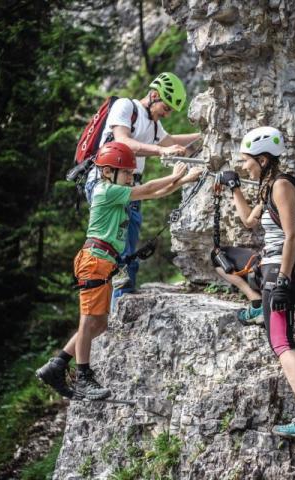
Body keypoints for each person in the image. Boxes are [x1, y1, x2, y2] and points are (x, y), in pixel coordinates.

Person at [36, 142, 202, 400]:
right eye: (125, 172)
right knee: (89, 320)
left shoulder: (117, 189)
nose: (129, 177)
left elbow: (153, 194)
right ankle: (83, 377)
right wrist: (175, 175)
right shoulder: (106, 191)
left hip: (104, 262)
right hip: (95, 261)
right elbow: (147, 188)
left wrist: (185, 180)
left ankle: (57, 366)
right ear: (106, 172)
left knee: (100, 323)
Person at [216, 126, 295, 440]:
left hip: (279, 270)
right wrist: (235, 188)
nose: (245, 166)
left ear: (264, 159)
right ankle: (258, 308)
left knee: (282, 343)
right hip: (271, 268)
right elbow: (249, 221)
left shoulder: (281, 186)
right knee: (221, 258)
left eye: (248, 161)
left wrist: (282, 280)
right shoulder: (268, 187)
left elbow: (291, 235)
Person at [84, 72, 201, 307]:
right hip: (107, 182)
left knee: (130, 242)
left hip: (130, 185)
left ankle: (122, 297)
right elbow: (123, 142)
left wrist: (205, 135)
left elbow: (173, 142)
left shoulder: (155, 126)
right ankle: (115, 301)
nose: (166, 114)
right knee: (117, 244)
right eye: (166, 108)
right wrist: (160, 152)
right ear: (154, 95)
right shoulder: (125, 107)